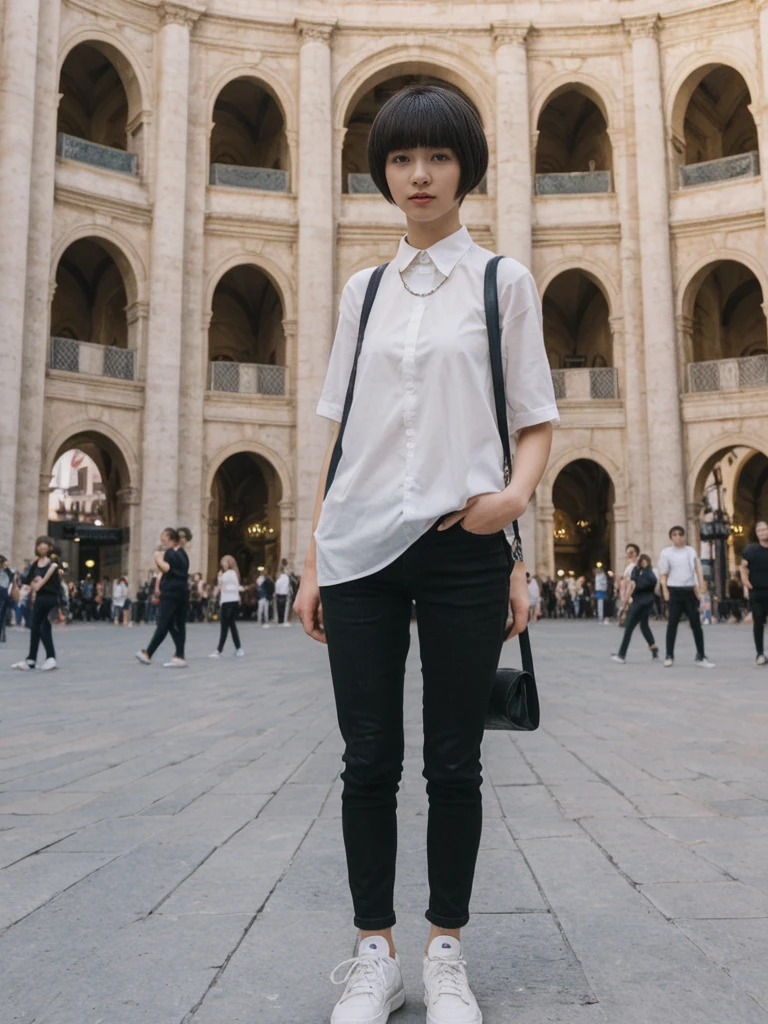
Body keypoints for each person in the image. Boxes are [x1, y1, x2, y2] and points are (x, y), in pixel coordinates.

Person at [293, 84, 558, 1024]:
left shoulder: (503, 283)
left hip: (460, 543)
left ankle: (447, 949)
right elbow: (335, 432)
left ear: (465, 170)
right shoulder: (361, 292)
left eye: (437, 158)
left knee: (453, 761)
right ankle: (376, 953)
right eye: (402, 159)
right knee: (368, 758)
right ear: (383, 173)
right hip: (361, 544)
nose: (418, 175)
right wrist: (314, 557)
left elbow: (532, 419)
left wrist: (515, 507)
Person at [658, 525, 715, 668]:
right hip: (675, 591)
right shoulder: (666, 553)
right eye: (675, 535)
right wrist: (665, 591)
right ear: (671, 537)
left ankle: (701, 655)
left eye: (680, 534)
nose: (678, 537)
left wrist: (701, 586)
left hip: (689, 590)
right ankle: (669, 655)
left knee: (696, 624)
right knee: (672, 624)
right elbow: (663, 573)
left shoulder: (690, 551)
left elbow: (697, 568)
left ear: (684, 536)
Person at [135, 528, 188, 668]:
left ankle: (149, 653)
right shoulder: (183, 553)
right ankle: (179, 655)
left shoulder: (170, 553)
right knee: (174, 624)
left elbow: (166, 569)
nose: (161, 539)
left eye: (163, 536)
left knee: (163, 623)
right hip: (181, 592)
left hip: (170, 593)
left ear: (170, 538)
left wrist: (157, 558)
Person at [11, 536, 62, 670]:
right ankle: (32, 659)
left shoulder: (53, 563)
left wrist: (38, 583)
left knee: (42, 627)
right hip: (39, 598)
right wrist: (19, 588)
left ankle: (49, 658)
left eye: (45, 545)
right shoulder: (35, 564)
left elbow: (55, 577)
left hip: (50, 597)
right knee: (36, 627)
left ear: (49, 548)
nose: (42, 547)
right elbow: (27, 581)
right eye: (39, 544)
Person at [611, 554, 659, 663]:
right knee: (644, 626)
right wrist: (626, 599)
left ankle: (622, 655)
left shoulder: (649, 573)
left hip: (642, 604)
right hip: (643, 602)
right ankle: (654, 648)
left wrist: (626, 599)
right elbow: (632, 586)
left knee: (629, 628)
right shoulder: (637, 572)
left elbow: (640, 585)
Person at [740, 519, 768, 665]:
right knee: (758, 622)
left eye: (765, 529)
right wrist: (746, 582)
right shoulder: (751, 550)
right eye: (760, 530)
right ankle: (760, 653)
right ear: (756, 534)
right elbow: (743, 567)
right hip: (757, 591)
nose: (763, 532)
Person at [209, 555, 244, 657]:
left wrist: (220, 580)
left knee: (224, 626)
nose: (222, 564)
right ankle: (238, 648)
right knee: (231, 625)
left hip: (228, 601)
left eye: (224, 562)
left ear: (229, 563)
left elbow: (229, 587)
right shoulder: (233, 574)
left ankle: (219, 650)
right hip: (231, 601)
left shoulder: (229, 574)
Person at [0, 555, 14, 642]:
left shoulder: (8, 572)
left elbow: (11, 581)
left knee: (2, 615)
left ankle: (1, 633)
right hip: (4, 595)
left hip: (4, 596)